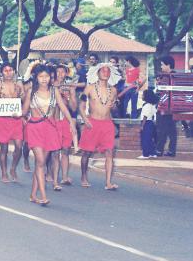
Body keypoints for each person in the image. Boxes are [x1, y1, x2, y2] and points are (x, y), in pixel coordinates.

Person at [22, 64, 76, 205]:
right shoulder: (30, 92)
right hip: (34, 128)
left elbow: (63, 107)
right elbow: (23, 111)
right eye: (41, 76)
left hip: (50, 128)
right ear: (36, 78)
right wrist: (15, 114)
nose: (44, 79)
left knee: (40, 163)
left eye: (46, 76)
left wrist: (71, 122)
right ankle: (43, 196)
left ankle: (33, 195)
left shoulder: (54, 91)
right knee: (40, 162)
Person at [79, 62, 121, 190]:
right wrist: (85, 119)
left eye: (108, 71)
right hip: (92, 123)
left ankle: (108, 183)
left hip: (107, 124)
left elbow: (115, 109)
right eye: (103, 70)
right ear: (97, 73)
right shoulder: (90, 88)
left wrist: (114, 106)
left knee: (109, 152)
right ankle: (84, 176)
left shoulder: (113, 90)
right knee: (86, 153)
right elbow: (81, 105)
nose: (105, 72)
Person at [0, 62, 25, 183]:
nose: (8, 73)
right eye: (5, 70)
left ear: (14, 72)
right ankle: (4, 173)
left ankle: (13, 168)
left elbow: (23, 99)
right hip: (3, 120)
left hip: (16, 120)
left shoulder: (19, 85)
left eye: (10, 70)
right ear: (2, 72)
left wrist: (21, 97)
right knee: (4, 149)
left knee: (19, 147)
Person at [51, 63, 77, 188]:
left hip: (65, 122)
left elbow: (73, 108)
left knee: (66, 150)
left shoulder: (69, 87)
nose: (60, 74)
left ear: (66, 73)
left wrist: (69, 98)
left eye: (63, 72)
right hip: (53, 122)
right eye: (58, 72)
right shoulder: (50, 86)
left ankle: (65, 176)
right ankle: (52, 175)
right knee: (54, 152)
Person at [156, 55, 177, 157]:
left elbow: (164, 93)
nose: (161, 67)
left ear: (168, 65)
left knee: (162, 130)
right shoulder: (174, 76)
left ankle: (159, 150)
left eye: (162, 65)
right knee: (172, 130)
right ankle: (171, 150)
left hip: (166, 108)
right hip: (171, 107)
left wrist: (161, 107)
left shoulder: (168, 77)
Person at [138, 89, 158, 159]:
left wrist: (142, 126)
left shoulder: (147, 105)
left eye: (143, 95)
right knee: (149, 139)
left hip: (146, 123)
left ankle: (145, 154)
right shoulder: (152, 105)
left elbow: (145, 116)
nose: (142, 96)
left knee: (145, 139)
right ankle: (152, 153)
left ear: (146, 96)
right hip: (150, 123)